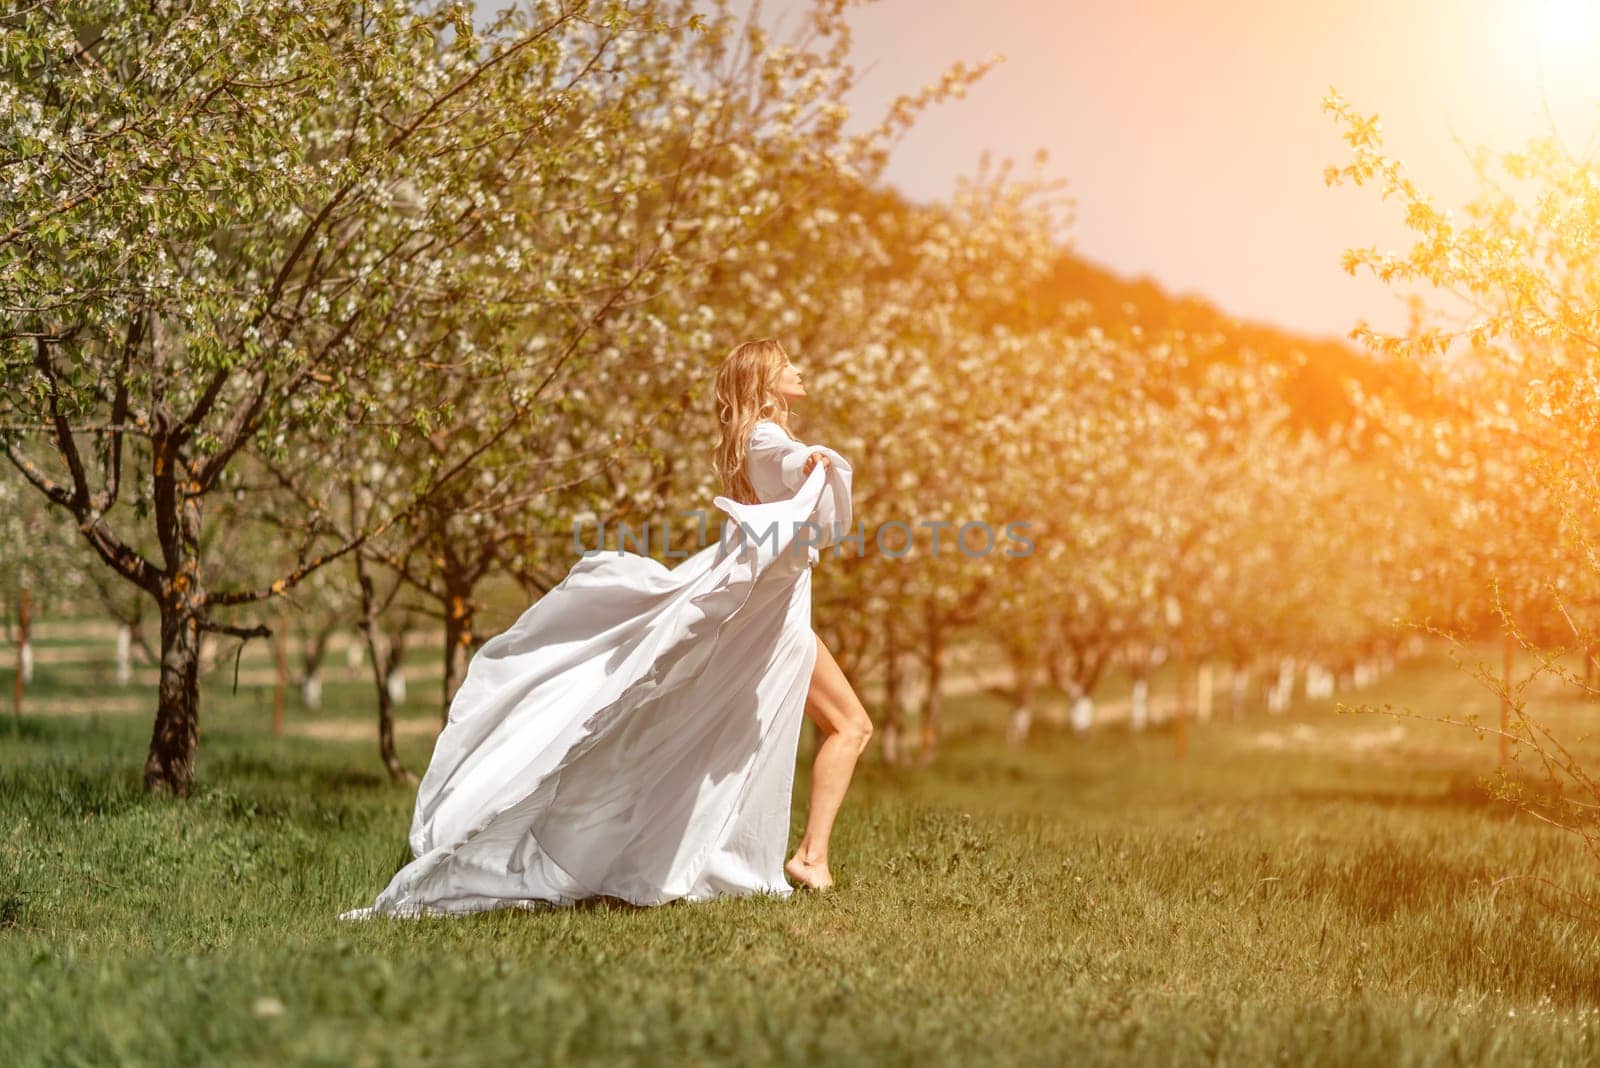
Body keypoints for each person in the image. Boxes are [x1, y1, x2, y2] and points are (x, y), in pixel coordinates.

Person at [339, 337, 870, 919]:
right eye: (787, 364)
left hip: (772, 616)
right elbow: (788, 464)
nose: (800, 369)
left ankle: (797, 855)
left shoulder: (761, 439)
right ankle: (810, 858)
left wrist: (807, 465)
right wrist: (814, 462)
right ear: (765, 381)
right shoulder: (768, 439)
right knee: (850, 725)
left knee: (787, 732)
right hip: (774, 620)